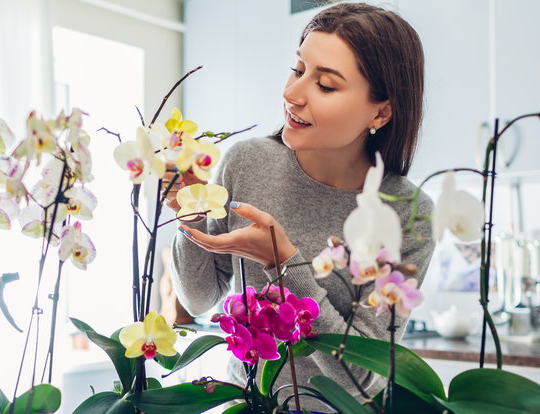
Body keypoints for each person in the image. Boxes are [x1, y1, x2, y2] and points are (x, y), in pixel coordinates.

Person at [167, 3, 435, 410]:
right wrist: (191, 211)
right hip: (247, 403)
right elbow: (198, 298)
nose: (291, 94)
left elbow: (360, 380)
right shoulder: (246, 162)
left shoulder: (407, 214)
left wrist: (285, 262)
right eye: (297, 70)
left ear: (381, 110)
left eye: (325, 85)